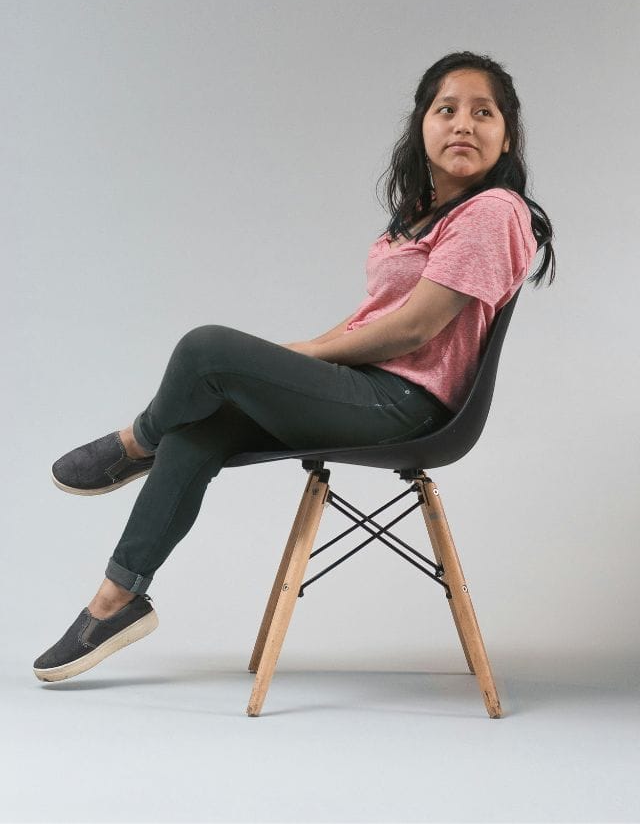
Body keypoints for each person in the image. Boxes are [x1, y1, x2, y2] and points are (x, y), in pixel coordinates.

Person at [34, 50, 555, 682]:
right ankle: (114, 603)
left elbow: (414, 328)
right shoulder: (421, 212)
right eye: (446, 110)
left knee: (205, 349)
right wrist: (296, 354)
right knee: (198, 430)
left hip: (409, 407)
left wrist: (300, 357)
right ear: (422, 124)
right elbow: (370, 320)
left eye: (483, 113)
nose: (463, 124)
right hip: (369, 391)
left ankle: (135, 442)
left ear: (507, 135)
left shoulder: (493, 211)